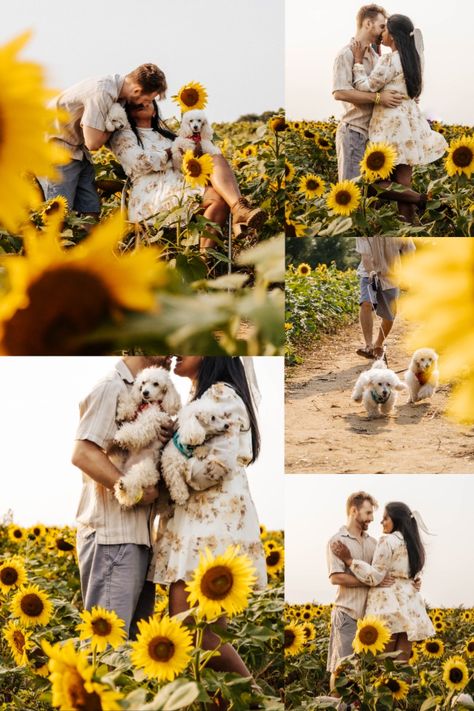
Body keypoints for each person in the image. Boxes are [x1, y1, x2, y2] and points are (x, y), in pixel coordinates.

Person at [149, 356, 267, 679]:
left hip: (210, 530)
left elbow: (217, 466)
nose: (177, 352)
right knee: (198, 638)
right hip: (200, 526)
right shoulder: (201, 397)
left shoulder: (221, 394)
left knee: (199, 637)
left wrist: (172, 468)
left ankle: (255, 701)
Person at [71, 355, 173, 639]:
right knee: (107, 650)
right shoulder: (110, 387)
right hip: (112, 538)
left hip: (138, 538)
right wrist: (136, 491)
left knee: (130, 654)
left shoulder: (147, 395)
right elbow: (83, 453)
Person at [109, 100, 266, 248]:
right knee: (217, 194)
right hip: (152, 193)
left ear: (155, 111)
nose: (143, 103)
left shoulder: (168, 135)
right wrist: (173, 150)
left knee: (214, 160)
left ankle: (208, 255)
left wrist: (194, 153)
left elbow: (182, 162)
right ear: (127, 111)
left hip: (181, 185)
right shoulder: (124, 136)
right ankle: (238, 216)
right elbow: (141, 163)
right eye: (136, 102)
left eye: (148, 101)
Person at [350, 14, 448, 222]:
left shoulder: (389, 59)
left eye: (385, 30)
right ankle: (410, 228)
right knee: (403, 185)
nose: (381, 34)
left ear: (392, 36)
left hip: (389, 124)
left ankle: (422, 199)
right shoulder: (412, 59)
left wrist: (358, 62)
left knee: (372, 184)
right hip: (410, 125)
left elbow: (365, 86)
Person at [39, 64, 166, 217]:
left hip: (78, 152)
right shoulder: (102, 92)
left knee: (90, 210)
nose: (145, 104)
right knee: (58, 215)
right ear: (137, 91)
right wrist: (113, 128)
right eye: (147, 99)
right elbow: (93, 143)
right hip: (55, 149)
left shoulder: (120, 96)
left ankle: (93, 241)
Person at [332, 501, 435, 661]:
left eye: (385, 518)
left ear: (397, 519)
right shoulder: (413, 543)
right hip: (409, 602)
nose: (381, 522)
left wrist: (350, 561)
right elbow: (410, 575)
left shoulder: (387, 541)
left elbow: (374, 576)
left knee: (382, 662)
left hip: (388, 604)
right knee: (402, 662)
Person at [333, 4, 405, 182]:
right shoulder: (346, 54)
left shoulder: (376, 57)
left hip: (375, 135)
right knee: (351, 189)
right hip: (354, 131)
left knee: (372, 195)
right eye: (382, 26)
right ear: (367, 24)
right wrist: (379, 98)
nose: (383, 32)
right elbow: (340, 92)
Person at [355, 236, 415, 361]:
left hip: (392, 275)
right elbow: (366, 256)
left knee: (389, 315)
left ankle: (378, 344)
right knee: (366, 303)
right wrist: (371, 272)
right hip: (368, 274)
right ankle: (368, 346)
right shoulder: (364, 232)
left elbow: (409, 251)